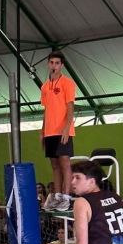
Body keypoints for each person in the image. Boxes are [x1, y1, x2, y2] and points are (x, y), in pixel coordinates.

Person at [40, 50, 76, 212]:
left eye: (57, 63)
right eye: (51, 62)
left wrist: (67, 128)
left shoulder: (67, 83)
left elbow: (70, 107)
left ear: (62, 65)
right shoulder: (45, 86)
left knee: (64, 163)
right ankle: (57, 195)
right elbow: (46, 109)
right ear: (48, 64)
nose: (54, 65)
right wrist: (42, 131)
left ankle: (66, 197)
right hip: (49, 132)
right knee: (54, 165)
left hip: (63, 130)